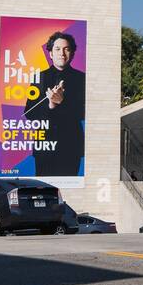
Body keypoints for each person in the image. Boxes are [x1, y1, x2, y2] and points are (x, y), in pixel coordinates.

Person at [25, 31, 86, 178]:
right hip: (44, 144)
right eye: (57, 49)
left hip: (71, 145)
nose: (62, 54)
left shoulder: (82, 78)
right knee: (43, 189)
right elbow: (29, 113)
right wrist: (51, 105)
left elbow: (84, 112)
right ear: (51, 54)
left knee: (70, 187)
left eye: (67, 49)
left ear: (72, 53)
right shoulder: (39, 77)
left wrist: (62, 102)